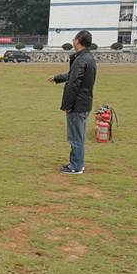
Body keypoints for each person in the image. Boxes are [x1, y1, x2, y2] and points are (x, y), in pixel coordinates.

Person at [48, 30, 97, 175]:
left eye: (74, 38)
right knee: (78, 136)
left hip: (78, 104)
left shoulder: (81, 59)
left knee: (75, 137)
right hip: (85, 102)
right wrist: (58, 78)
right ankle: (77, 163)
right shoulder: (88, 58)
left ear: (78, 41)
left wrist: (67, 106)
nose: (73, 41)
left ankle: (75, 166)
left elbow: (74, 84)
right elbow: (72, 75)